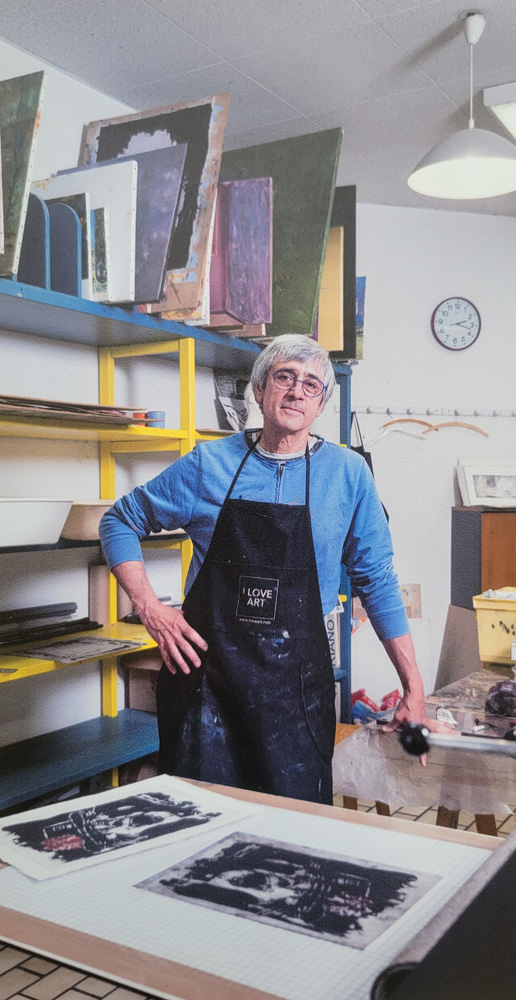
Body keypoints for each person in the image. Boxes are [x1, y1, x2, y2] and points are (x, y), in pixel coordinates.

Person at [99, 334, 451, 805]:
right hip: (207, 686)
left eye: (311, 384)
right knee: (199, 817)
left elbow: (378, 580)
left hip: (296, 690)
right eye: (285, 377)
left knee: (294, 824)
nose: (296, 391)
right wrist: (149, 607)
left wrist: (413, 688)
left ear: (321, 404)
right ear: (260, 389)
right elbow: (119, 521)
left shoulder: (347, 474)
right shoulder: (209, 464)